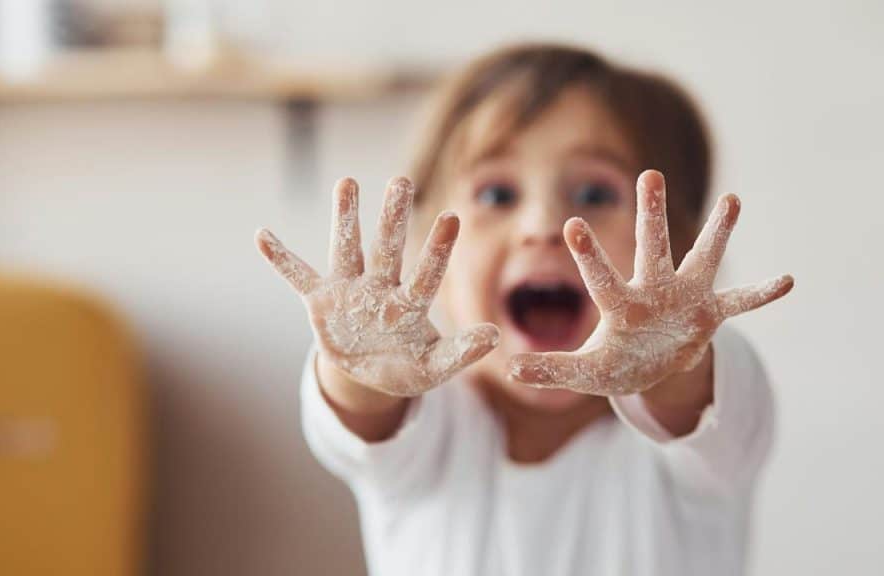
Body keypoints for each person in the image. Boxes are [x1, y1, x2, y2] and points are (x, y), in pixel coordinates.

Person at [256, 43, 794, 576]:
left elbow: (720, 403)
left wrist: (676, 361)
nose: (542, 225)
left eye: (594, 193)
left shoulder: (699, 452)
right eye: (496, 196)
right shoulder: (427, 428)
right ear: (424, 245)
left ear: (680, 250)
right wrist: (359, 371)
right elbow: (359, 423)